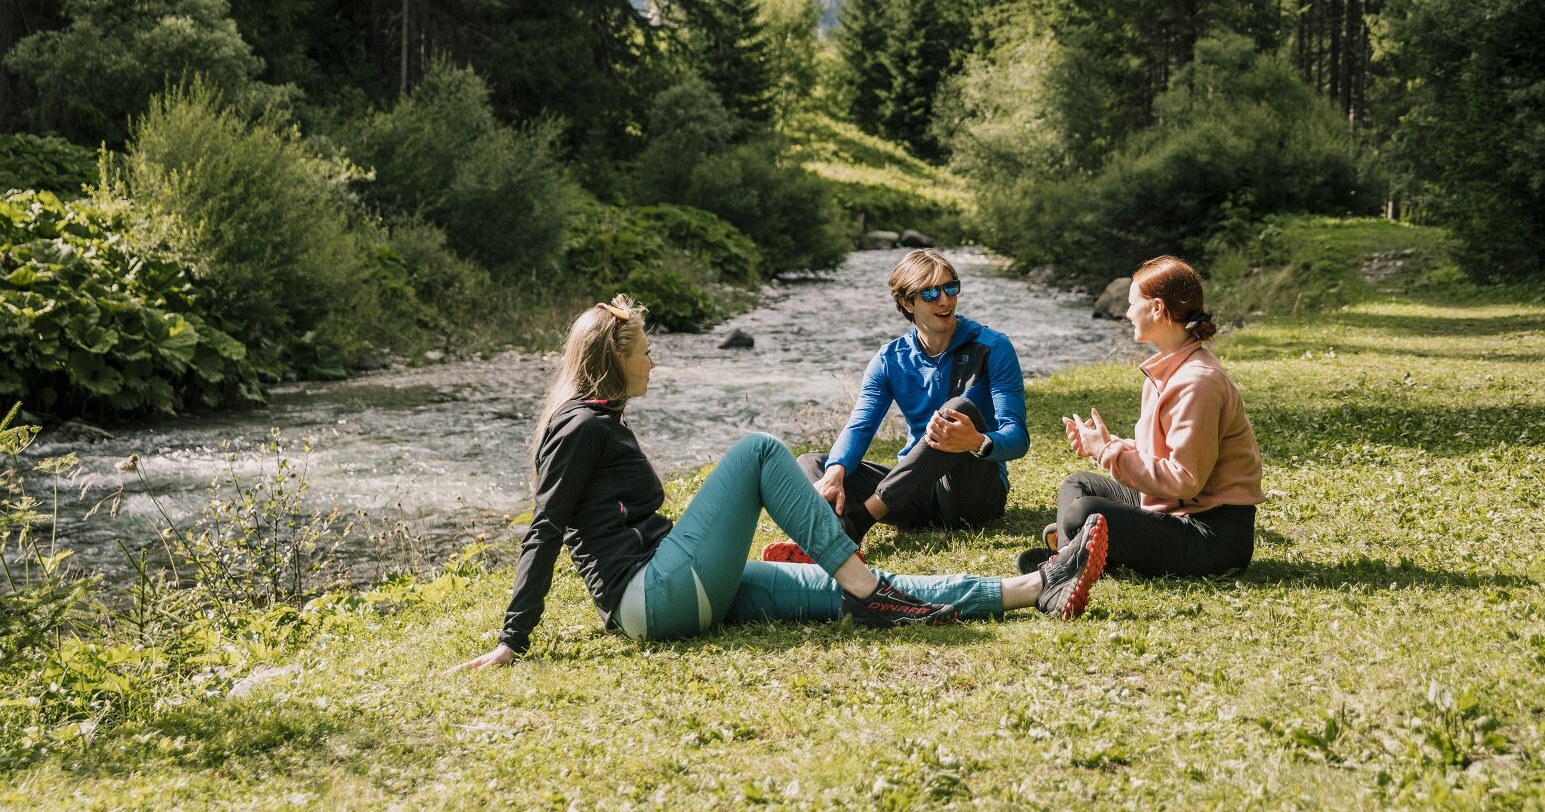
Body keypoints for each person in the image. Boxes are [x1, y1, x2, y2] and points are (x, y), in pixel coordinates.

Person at [451, 295, 1107, 672]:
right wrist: (513, 638)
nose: (654, 358)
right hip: (650, 597)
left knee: (836, 595)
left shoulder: (597, 421)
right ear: (613, 360)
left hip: (679, 588)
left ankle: (1035, 587)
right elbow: (545, 527)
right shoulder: (581, 426)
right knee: (762, 452)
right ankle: (862, 581)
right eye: (643, 349)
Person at [768, 249, 1026, 562]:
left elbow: (1017, 438)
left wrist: (977, 441)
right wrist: (836, 473)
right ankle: (831, 535)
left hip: (971, 497)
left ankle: (858, 523)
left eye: (951, 288)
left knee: (958, 409)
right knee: (814, 464)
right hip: (910, 495)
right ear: (906, 303)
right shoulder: (890, 359)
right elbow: (861, 426)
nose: (944, 300)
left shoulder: (993, 347)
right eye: (930, 293)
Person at [1021, 256, 1264, 578]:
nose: (1126, 312)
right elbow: (1165, 455)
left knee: (1084, 511)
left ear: (1157, 309)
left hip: (1210, 537)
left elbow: (1185, 479)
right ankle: (1073, 556)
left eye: (1132, 303)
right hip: (1175, 508)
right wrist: (1108, 444)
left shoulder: (1197, 381)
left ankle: (1069, 561)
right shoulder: (1170, 368)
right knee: (1078, 485)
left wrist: (1107, 452)